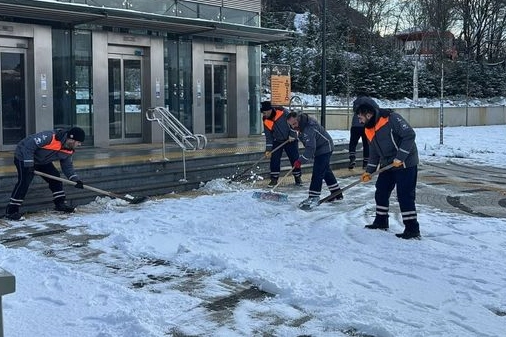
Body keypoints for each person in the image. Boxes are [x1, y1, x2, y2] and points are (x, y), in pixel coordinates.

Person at [354, 96, 421, 239]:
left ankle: (412, 229)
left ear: (368, 113)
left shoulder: (392, 119)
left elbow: (409, 135)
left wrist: (400, 157)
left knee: (405, 195)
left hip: (405, 163)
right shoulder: (368, 129)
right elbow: (373, 153)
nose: (359, 120)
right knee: (381, 191)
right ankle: (381, 221)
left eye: (360, 116)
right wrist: (369, 172)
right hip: (388, 165)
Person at [4, 127, 86, 220]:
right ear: (71, 139)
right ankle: (11, 211)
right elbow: (29, 145)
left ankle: (60, 204)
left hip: (42, 161)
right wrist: (29, 164)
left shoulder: (68, 149)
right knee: (24, 182)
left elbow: (67, 167)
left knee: (55, 178)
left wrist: (75, 180)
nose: (79, 145)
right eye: (78, 142)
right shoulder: (50, 137)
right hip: (23, 156)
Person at [286, 111, 342, 210]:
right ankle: (337, 193)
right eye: (291, 125)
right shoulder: (302, 125)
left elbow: (310, 149)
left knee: (318, 172)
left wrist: (300, 160)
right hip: (319, 149)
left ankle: (313, 197)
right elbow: (302, 137)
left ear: (298, 119)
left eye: (294, 124)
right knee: (325, 171)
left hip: (325, 148)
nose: (293, 127)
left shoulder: (309, 128)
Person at [261, 101, 302, 186]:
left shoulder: (283, 112)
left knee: (294, 158)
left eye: (265, 112)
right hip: (278, 140)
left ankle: (297, 177)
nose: (264, 114)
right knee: (274, 159)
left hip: (290, 140)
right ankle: (274, 179)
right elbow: (269, 137)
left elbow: (294, 122)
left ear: (269, 110)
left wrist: (292, 134)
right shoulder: (265, 120)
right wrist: (268, 150)